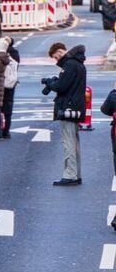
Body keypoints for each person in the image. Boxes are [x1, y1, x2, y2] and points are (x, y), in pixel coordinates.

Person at [42, 43, 86, 186]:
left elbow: (62, 86)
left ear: (60, 51)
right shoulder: (79, 63)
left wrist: (50, 82)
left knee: (69, 143)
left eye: (56, 57)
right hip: (75, 107)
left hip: (67, 108)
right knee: (74, 143)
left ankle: (70, 175)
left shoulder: (70, 65)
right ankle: (76, 174)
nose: (57, 60)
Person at [2, 37, 21, 138]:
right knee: (8, 106)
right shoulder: (15, 53)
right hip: (12, 82)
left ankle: (0, 129)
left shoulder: (2, 53)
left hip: (2, 82)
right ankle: (6, 130)